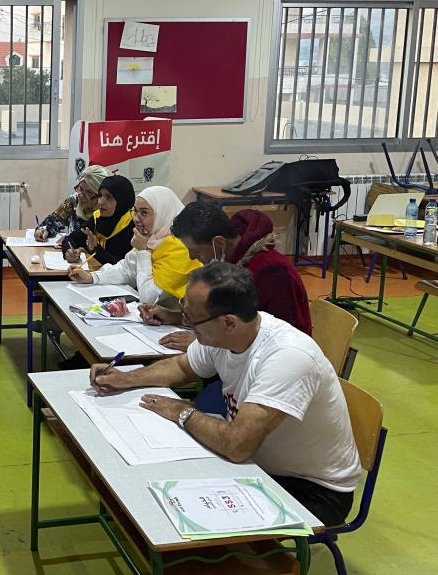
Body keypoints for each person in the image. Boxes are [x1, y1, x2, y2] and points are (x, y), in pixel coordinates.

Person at [89, 263, 360, 527]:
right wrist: (126, 379)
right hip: (258, 463)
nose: (187, 324)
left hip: (311, 489)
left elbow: (237, 446)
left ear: (228, 322)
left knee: (180, 511)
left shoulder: (287, 357)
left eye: (192, 319)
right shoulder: (227, 335)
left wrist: (182, 412)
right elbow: (182, 367)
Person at [141, 203, 312, 352]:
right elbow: (225, 319)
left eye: (196, 250)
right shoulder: (231, 262)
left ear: (219, 243)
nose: (192, 257)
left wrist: (204, 346)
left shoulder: (272, 271)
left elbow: (280, 338)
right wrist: (172, 316)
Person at [69, 186, 201, 308]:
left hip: (179, 327)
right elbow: (126, 270)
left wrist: (144, 252)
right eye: (135, 212)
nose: (136, 219)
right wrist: (92, 277)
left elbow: (149, 298)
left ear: (164, 214)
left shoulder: (182, 249)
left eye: (143, 213)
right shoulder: (153, 239)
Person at [62, 174, 136, 266]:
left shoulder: (135, 225)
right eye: (100, 195)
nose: (100, 202)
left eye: (108, 197)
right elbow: (69, 238)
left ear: (122, 200)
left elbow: (125, 268)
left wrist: (96, 249)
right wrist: (69, 250)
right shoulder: (98, 217)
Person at [33, 165, 109, 242]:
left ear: (100, 195)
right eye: (81, 189)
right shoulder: (74, 201)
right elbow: (54, 219)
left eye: (89, 193)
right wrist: (44, 230)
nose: (81, 195)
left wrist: (74, 241)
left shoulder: (106, 211)